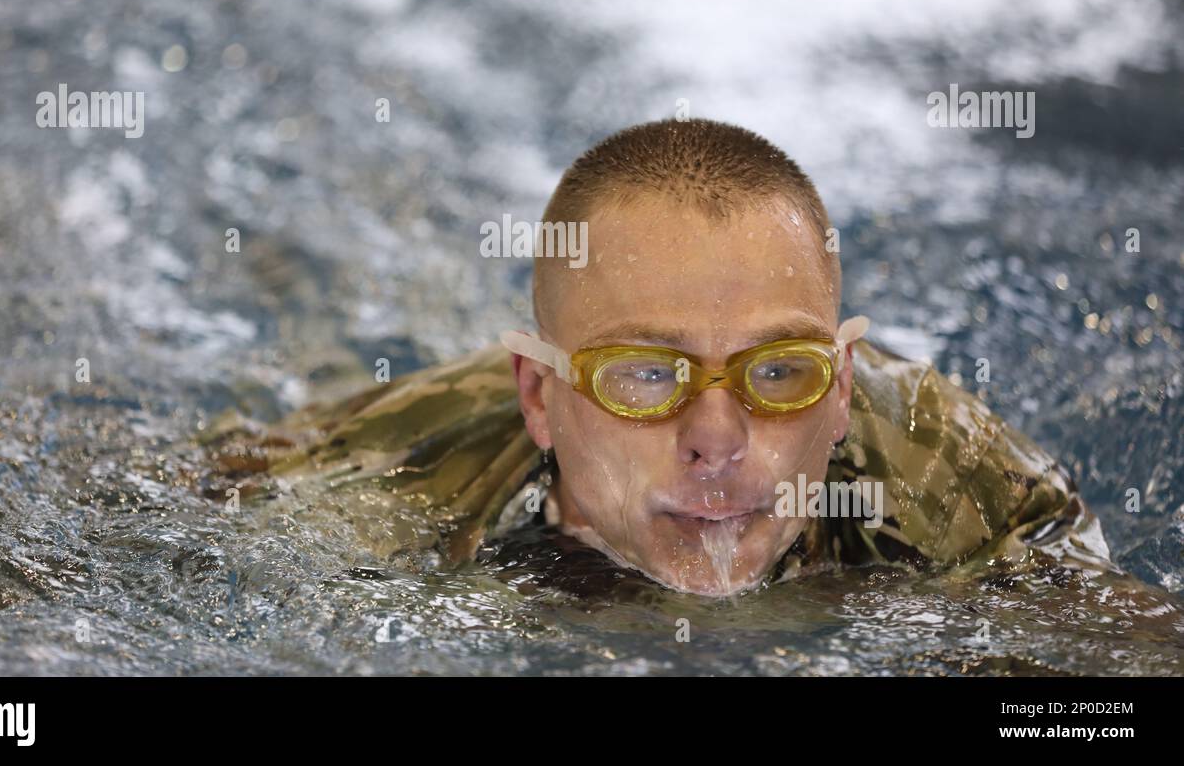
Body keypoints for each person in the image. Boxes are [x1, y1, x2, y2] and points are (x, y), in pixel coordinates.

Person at [203, 119, 1119, 598]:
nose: (716, 441)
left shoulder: (965, 500)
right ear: (538, 396)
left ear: (840, 389)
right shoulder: (388, 484)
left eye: (778, 371)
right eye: (645, 373)